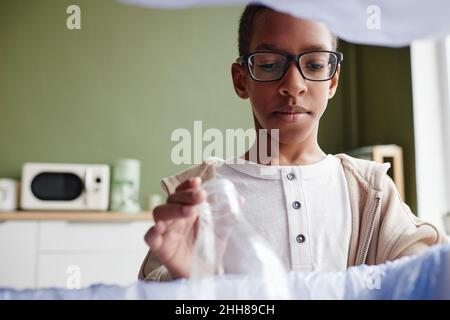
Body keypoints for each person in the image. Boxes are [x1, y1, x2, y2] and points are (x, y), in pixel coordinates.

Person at [138, 4, 448, 281]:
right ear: (241, 79)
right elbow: (156, 287)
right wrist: (187, 279)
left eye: (313, 65)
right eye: (271, 64)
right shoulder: (200, 194)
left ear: (333, 80)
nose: (293, 85)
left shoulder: (370, 191)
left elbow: (428, 269)